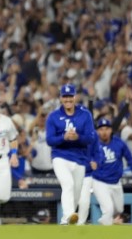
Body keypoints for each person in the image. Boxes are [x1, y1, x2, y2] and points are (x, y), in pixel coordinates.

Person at [45, 84, 97, 225]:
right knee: (67, 184)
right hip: (60, 156)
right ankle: (68, 215)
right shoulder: (54, 116)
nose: (68, 99)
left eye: (70, 96)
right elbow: (49, 140)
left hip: (80, 159)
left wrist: (77, 137)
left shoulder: (85, 114)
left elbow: (91, 138)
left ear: (75, 97)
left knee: (76, 194)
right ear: (61, 98)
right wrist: (64, 137)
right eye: (65, 96)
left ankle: (65, 222)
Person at [92, 118, 132, 225]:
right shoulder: (92, 144)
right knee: (108, 210)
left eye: (106, 129)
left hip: (116, 182)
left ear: (111, 130)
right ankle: (104, 224)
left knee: (119, 210)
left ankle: (108, 222)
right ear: (97, 131)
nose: (104, 132)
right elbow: (84, 158)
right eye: (101, 129)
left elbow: (130, 160)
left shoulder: (119, 143)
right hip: (99, 182)